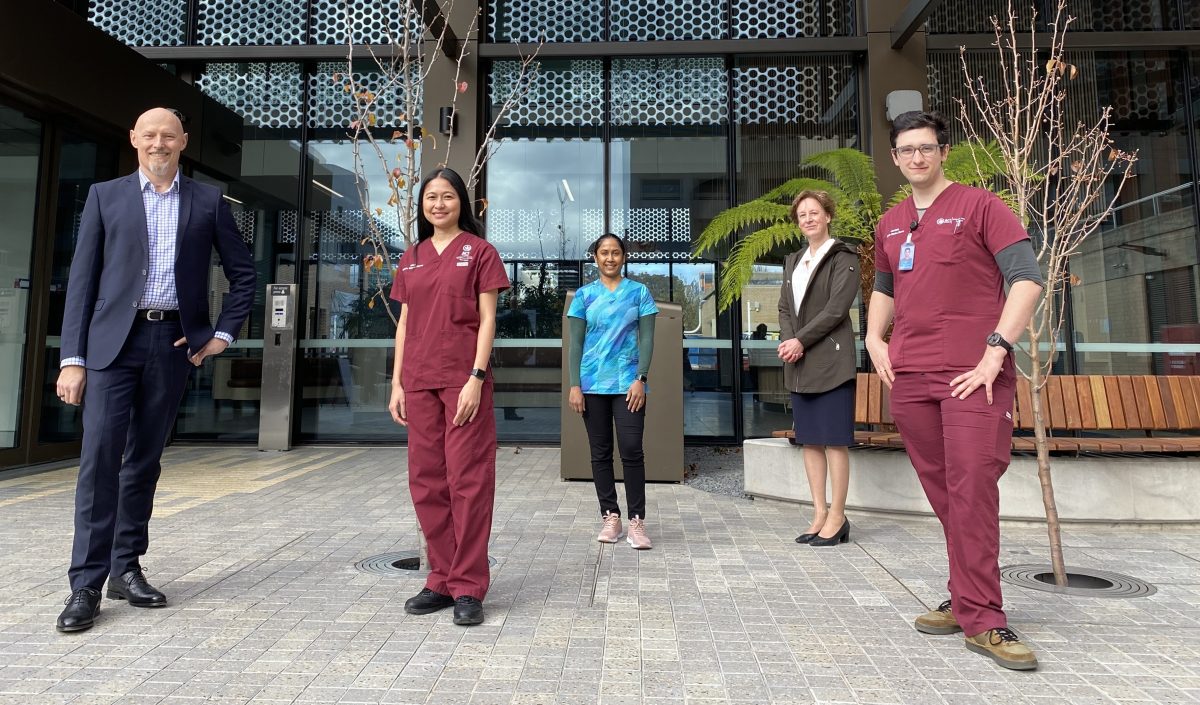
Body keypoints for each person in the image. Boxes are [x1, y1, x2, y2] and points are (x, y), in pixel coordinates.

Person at [54, 107, 256, 633]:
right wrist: (72, 359)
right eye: (150, 135)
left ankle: (126, 568)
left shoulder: (208, 201)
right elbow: (82, 282)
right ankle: (85, 584)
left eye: (168, 135)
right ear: (134, 139)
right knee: (99, 458)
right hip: (109, 348)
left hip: (172, 345)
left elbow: (243, 276)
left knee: (143, 460)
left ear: (183, 141)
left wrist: (221, 335)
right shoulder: (105, 196)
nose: (159, 143)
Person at [866, 111, 1044, 670]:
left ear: (943, 152)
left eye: (926, 148)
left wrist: (996, 349)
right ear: (895, 160)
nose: (917, 158)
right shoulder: (891, 223)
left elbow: (1027, 279)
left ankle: (986, 620)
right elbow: (885, 285)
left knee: (972, 490)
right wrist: (873, 338)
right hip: (911, 375)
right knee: (944, 492)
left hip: (973, 375)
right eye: (906, 150)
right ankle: (966, 598)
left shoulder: (982, 207)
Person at [389, 167, 510, 626]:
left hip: (463, 380)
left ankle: (468, 585)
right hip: (418, 380)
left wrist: (477, 377)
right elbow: (404, 324)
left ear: (462, 202)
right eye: (431, 197)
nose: (438, 204)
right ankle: (439, 577)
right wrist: (397, 382)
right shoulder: (412, 257)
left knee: (468, 480)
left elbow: (487, 320)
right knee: (427, 481)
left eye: (447, 197)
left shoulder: (480, 253)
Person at [777, 190, 859, 547]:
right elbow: (783, 307)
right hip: (800, 364)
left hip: (832, 361)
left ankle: (838, 516)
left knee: (834, 442)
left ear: (828, 216)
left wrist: (800, 341)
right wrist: (787, 339)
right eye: (802, 215)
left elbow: (836, 309)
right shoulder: (793, 260)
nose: (808, 219)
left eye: (814, 212)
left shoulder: (844, 256)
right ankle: (819, 513)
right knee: (809, 441)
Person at [567, 234, 657, 549]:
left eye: (615, 252)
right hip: (592, 385)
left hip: (628, 384)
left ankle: (636, 521)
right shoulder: (583, 296)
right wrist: (574, 385)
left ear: (623, 257)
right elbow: (575, 344)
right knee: (600, 452)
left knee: (632, 449)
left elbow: (647, 339)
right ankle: (611, 515)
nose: (610, 258)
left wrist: (641, 378)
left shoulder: (639, 293)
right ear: (595, 257)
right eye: (604, 253)